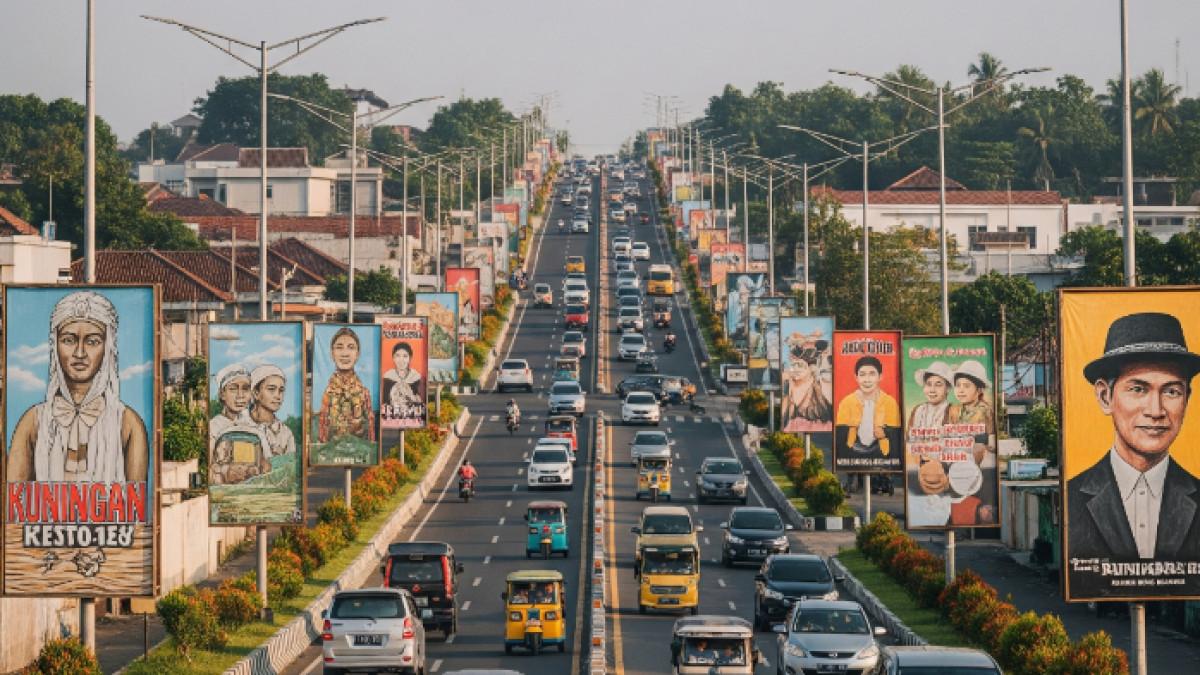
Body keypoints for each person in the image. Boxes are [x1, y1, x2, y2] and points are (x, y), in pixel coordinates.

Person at [1067, 312, 1200, 563]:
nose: (1156, 411)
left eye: (1171, 391)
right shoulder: (1070, 497)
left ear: (1187, 399)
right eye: (1138, 389)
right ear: (1105, 397)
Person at [7, 290, 148, 483]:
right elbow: (14, 502)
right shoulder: (32, 422)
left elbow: (136, 504)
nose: (79, 352)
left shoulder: (128, 423)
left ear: (108, 348)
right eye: (68, 340)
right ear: (54, 345)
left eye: (92, 341)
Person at [834, 356, 902, 460]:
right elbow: (840, 439)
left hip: (882, 455)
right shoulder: (847, 402)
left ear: (880, 377)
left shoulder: (890, 402)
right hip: (853, 454)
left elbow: (897, 438)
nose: (867, 380)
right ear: (856, 377)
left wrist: (886, 433)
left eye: (872, 374)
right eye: (862, 375)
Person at [318, 327, 375, 444]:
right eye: (339, 347)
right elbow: (322, 435)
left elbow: (371, 436)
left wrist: (359, 426)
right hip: (333, 454)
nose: (345, 354)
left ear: (357, 354)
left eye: (351, 347)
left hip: (358, 454)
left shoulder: (364, 393)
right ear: (332, 354)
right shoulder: (328, 393)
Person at [946, 360, 996, 466]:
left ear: (979, 390)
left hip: (978, 462)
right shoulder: (954, 410)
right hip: (956, 460)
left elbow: (992, 444)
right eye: (958, 385)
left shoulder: (985, 411)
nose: (961, 390)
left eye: (966, 386)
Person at [249, 365, 296, 460]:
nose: (277, 396)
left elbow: (289, 468)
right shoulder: (239, 425)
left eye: (281, 390)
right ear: (256, 393)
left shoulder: (285, 433)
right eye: (271, 389)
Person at [210, 364, 253, 445]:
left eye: (245, 389)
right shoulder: (214, 427)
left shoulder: (253, 425)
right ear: (222, 394)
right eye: (233, 389)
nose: (240, 395)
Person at [383, 341, 425, 418]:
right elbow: (384, 402)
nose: (401, 360)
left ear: (410, 358)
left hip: (412, 417)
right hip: (392, 417)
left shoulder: (416, 377)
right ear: (393, 358)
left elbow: (421, 402)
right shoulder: (388, 376)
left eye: (405, 356)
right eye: (397, 356)